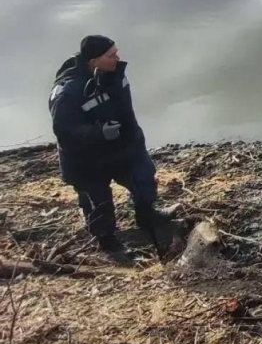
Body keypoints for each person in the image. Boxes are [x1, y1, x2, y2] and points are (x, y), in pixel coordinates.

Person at [48, 35, 171, 253]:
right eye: (111, 55)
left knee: (143, 179)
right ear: (94, 61)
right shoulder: (69, 91)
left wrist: (134, 141)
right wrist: (99, 132)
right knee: (98, 202)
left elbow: (126, 112)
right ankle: (108, 242)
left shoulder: (116, 74)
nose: (117, 58)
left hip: (122, 146)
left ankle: (147, 216)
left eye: (116, 52)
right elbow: (64, 131)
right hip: (86, 158)